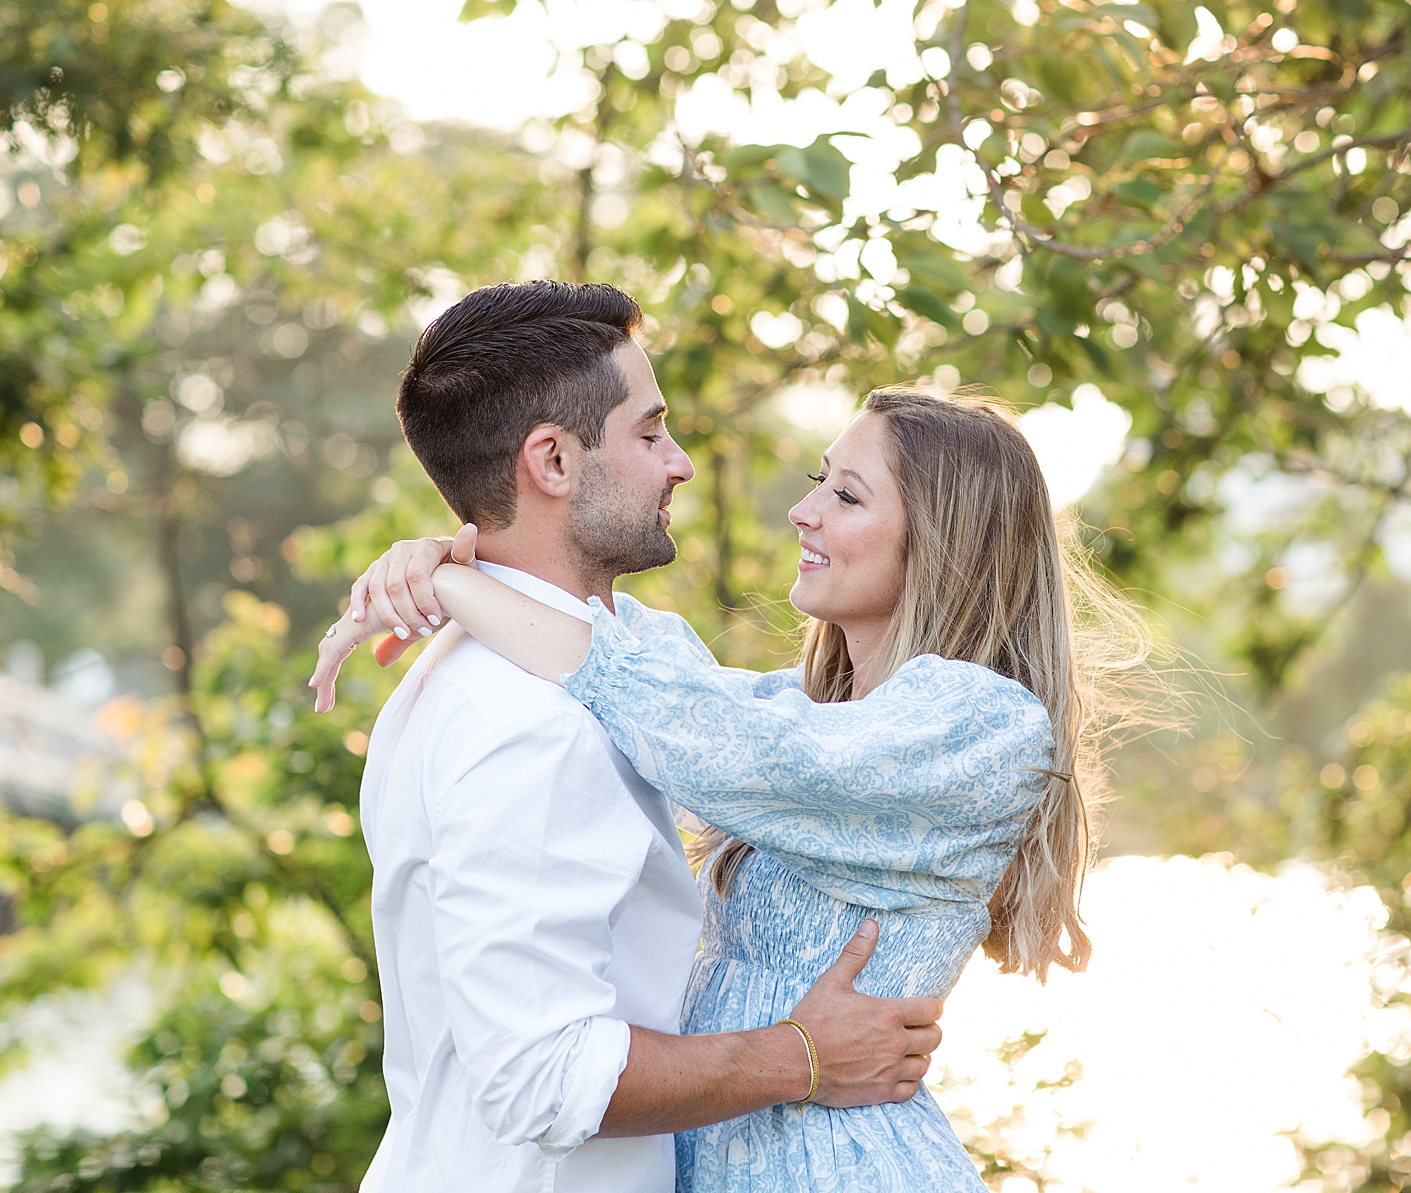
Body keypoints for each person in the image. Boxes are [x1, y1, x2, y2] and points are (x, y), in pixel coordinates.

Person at [315, 297, 1145, 1191]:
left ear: (941, 539)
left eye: (844, 493)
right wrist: (449, 570)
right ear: (552, 459)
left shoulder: (970, 726)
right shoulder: (542, 717)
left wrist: (456, 579)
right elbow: (543, 1076)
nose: (798, 509)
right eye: (651, 432)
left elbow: (689, 713)